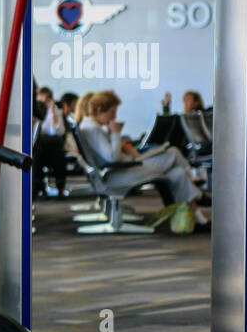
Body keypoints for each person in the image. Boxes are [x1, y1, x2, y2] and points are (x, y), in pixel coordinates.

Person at [78, 90, 207, 231]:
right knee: (173, 152)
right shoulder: (93, 129)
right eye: (112, 112)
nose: (114, 117)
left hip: (120, 170)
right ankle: (196, 184)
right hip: (119, 173)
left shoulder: (89, 126)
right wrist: (115, 133)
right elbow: (112, 157)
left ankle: (199, 219)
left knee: (177, 173)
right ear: (100, 110)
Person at [32, 85, 68, 197]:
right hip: (41, 146)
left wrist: (52, 113)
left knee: (56, 148)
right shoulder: (34, 111)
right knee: (38, 151)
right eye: (41, 96)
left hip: (49, 145)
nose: (44, 100)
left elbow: (58, 131)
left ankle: (57, 187)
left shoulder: (55, 111)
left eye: (48, 97)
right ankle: (37, 186)